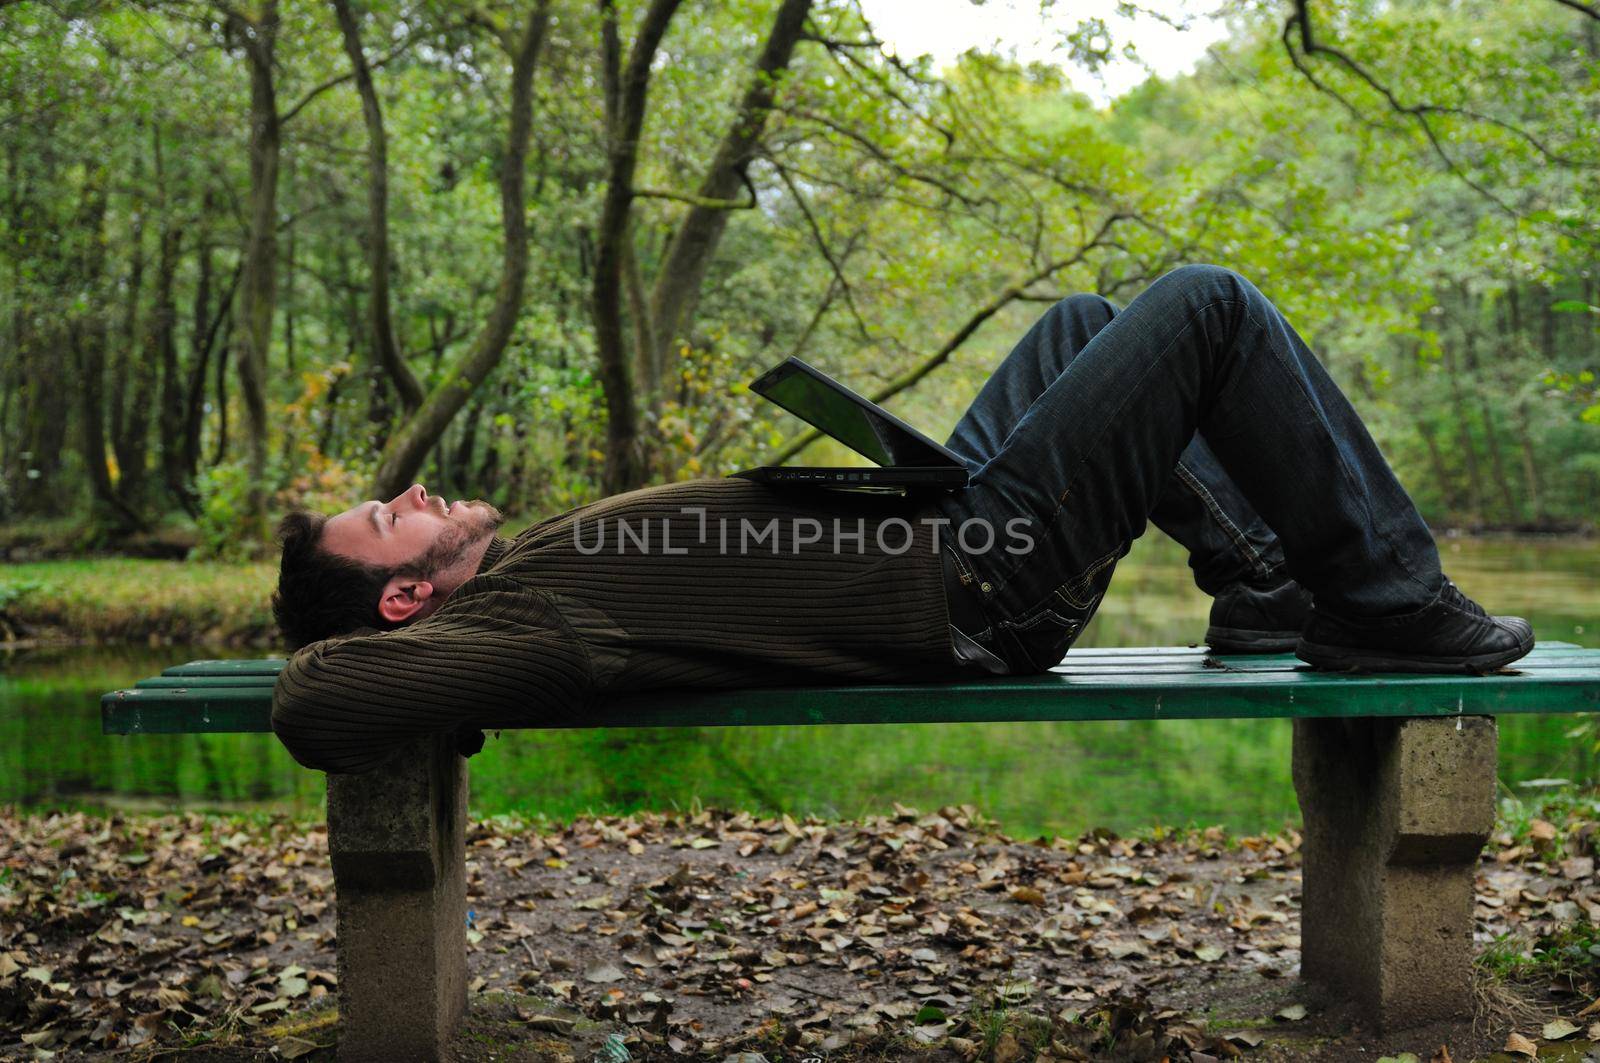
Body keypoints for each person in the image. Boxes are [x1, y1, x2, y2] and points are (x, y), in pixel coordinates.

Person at [270, 264, 1534, 773]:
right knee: (1204, 306)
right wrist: (416, 679)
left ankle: (1263, 592)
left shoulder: (516, 578)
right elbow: (315, 701)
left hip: (942, 524)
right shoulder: (522, 621)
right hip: (975, 578)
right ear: (402, 597)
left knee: (1084, 326)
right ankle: (1388, 603)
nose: (417, 492)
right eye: (390, 516)